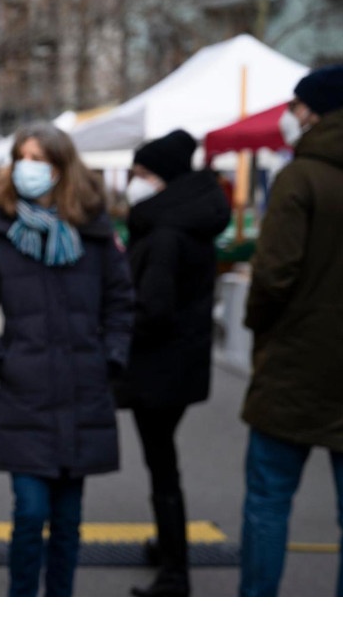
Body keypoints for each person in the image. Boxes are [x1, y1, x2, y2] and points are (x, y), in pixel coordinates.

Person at [0, 122, 134, 596]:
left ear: (61, 167)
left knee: (70, 519)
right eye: (22, 157)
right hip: (27, 390)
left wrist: (111, 357)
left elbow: (121, 301)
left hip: (84, 388)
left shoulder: (94, 229)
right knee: (31, 513)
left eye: (40, 158)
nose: (28, 168)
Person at [238, 63, 343, 597]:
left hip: (296, 365)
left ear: (314, 111)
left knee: (268, 500)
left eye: (297, 106)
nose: (289, 116)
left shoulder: (300, 176)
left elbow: (273, 273)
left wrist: (258, 326)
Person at [115, 129, 230, 597]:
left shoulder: (164, 233)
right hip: (181, 364)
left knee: (162, 468)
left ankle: (174, 573)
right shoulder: (189, 221)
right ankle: (169, 548)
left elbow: (153, 309)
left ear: (161, 178)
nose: (133, 183)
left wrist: (117, 322)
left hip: (158, 369)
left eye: (141, 174)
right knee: (165, 463)